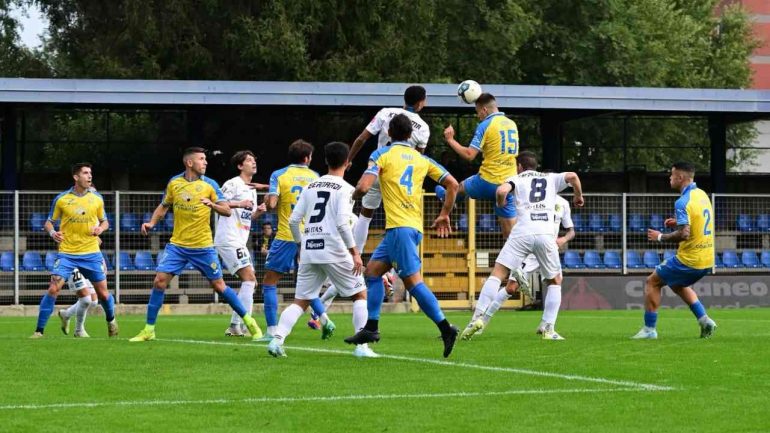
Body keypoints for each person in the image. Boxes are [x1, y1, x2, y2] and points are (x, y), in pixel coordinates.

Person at [343, 114, 461, 358]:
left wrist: (350, 197)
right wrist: (444, 214)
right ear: (410, 135)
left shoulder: (381, 155)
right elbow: (453, 184)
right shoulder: (422, 158)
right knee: (373, 271)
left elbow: (364, 187)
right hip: (409, 227)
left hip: (399, 228)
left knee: (413, 283)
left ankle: (446, 328)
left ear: (389, 132)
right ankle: (371, 328)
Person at [129, 147, 262, 342]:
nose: (205, 162)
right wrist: (151, 222)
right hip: (178, 246)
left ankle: (250, 323)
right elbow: (163, 206)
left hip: (203, 246)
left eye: (205, 159)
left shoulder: (210, 185)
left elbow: (226, 211)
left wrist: (212, 204)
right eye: (201, 159)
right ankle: (149, 329)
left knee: (219, 285)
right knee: (159, 281)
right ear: (189, 163)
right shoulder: (175, 183)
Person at [268, 141, 377, 358]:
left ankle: (277, 340)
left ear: (326, 161)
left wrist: (300, 245)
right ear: (348, 162)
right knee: (359, 294)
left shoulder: (311, 186)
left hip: (310, 248)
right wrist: (355, 252)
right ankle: (361, 347)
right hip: (334, 248)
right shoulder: (347, 189)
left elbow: (293, 221)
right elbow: (341, 223)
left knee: (301, 300)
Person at [460, 151, 584, 341]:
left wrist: (501, 204)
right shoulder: (549, 178)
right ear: (535, 166)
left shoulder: (516, 178)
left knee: (498, 273)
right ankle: (548, 328)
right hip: (545, 235)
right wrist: (578, 196)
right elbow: (573, 176)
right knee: (555, 281)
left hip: (522, 232)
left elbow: (501, 191)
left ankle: (476, 318)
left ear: (519, 166)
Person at [31, 163, 118, 338]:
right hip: (67, 254)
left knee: (101, 294)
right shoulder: (62, 199)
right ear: (76, 177)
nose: (89, 176)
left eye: (90, 173)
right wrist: (53, 232)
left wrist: (101, 229)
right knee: (54, 287)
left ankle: (111, 321)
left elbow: (105, 221)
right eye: (85, 173)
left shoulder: (97, 199)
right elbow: (48, 222)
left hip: (91, 253)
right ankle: (39, 331)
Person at [632, 162, 717, 339]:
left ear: (680, 177)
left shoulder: (682, 201)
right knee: (676, 284)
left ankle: (649, 330)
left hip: (690, 259)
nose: (669, 178)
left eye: (671, 175)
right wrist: (678, 222)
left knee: (652, 282)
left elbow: (684, 234)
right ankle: (704, 320)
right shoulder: (701, 194)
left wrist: (660, 237)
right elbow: (698, 220)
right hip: (707, 259)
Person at [260, 140, 331, 342]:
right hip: (311, 236)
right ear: (307, 158)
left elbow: (272, 204)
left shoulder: (279, 175)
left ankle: (272, 330)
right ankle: (325, 320)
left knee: (269, 283)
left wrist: (268, 196)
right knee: (307, 286)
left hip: (286, 235)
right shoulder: (315, 176)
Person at [347, 85, 430, 256]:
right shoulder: (422, 127)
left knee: (365, 215)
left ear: (404, 100)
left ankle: (355, 259)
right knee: (400, 221)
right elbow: (418, 158)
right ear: (421, 103)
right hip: (400, 177)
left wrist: (349, 159)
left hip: (378, 168)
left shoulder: (385, 112)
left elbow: (362, 138)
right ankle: (394, 271)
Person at [440, 93, 519, 239]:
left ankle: (446, 196)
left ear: (484, 110)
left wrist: (450, 140)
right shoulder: (511, 124)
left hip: (488, 181)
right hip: (508, 185)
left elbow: (470, 155)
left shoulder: (486, 125)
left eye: (478, 113)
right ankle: (520, 261)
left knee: (457, 188)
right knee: (511, 238)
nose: (478, 116)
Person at [215, 150, 268, 337]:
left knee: (250, 282)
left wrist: (258, 213)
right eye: (249, 160)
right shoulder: (233, 183)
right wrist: (239, 203)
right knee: (250, 280)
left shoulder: (251, 190)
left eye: (254, 160)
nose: (253, 163)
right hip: (228, 238)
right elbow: (219, 204)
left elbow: (246, 217)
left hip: (239, 240)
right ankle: (245, 325)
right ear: (240, 166)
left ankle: (236, 325)